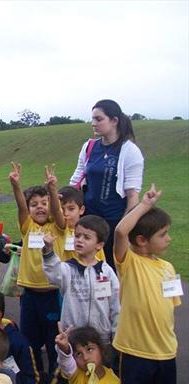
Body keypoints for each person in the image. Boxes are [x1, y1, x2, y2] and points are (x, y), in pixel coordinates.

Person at [113, 184, 179, 384]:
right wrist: (144, 205)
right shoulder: (129, 262)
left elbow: (170, 308)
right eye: (162, 234)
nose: (169, 238)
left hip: (165, 353)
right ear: (141, 240)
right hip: (135, 354)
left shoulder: (168, 268)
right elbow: (121, 232)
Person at [69, 99, 144, 268]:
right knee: (82, 264)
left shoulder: (130, 151)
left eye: (99, 119)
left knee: (110, 267)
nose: (93, 123)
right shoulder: (89, 146)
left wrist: (123, 230)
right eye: (93, 119)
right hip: (87, 219)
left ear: (114, 120)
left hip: (113, 221)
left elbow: (133, 196)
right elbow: (76, 181)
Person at [9, 162, 65, 375]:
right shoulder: (28, 227)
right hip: (30, 296)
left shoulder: (57, 227)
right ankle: (34, 380)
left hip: (52, 295)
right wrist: (16, 185)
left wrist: (52, 189)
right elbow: (21, 208)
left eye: (44, 203)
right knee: (30, 343)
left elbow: (58, 213)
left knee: (54, 342)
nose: (40, 207)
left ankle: (54, 382)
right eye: (35, 204)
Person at [42, 215, 120, 345]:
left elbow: (115, 305)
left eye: (87, 237)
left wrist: (115, 333)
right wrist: (48, 251)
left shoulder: (106, 272)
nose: (79, 240)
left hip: (101, 338)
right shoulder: (68, 269)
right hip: (72, 337)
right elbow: (54, 273)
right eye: (77, 236)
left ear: (99, 245)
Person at [54, 186, 105, 262]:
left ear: (81, 210)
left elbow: (101, 262)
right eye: (61, 209)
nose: (65, 213)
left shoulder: (91, 232)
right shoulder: (52, 229)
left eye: (71, 209)